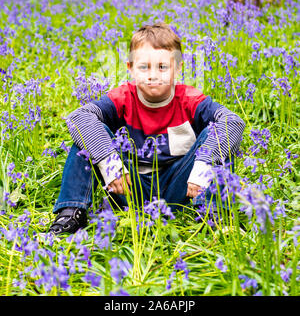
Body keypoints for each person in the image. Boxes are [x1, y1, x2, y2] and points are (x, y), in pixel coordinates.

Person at [49, 23, 245, 235]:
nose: (153, 75)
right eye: (144, 67)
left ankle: (213, 213)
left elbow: (233, 122)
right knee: (87, 134)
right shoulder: (123, 97)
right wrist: (109, 163)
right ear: (130, 68)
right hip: (129, 186)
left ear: (178, 68)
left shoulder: (189, 99)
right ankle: (71, 212)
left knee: (218, 133)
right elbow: (79, 117)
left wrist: (204, 164)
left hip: (180, 187)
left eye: (162, 67)